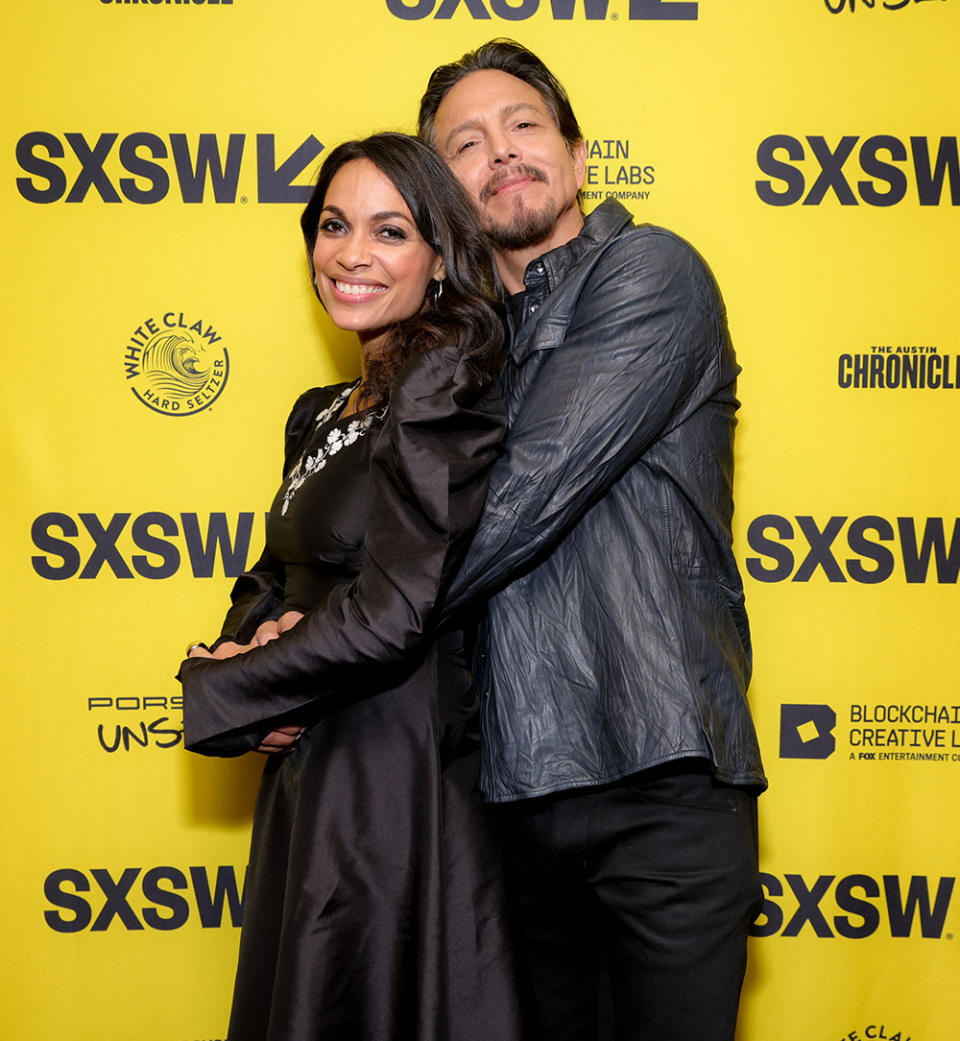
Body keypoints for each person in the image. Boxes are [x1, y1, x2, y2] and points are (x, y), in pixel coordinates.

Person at [416, 40, 768, 1041]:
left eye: (524, 126)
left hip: (658, 782)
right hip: (507, 808)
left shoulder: (649, 271)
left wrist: (309, 660)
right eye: (466, 145)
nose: (501, 153)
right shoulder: (455, 353)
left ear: (576, 156)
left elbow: (521, 499)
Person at [177, 132, 522, 1041]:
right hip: (313, 756)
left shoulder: (440, 383)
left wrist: (229, 690)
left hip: (393, 770)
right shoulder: (322, 408)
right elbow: (275, 571)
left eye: (389, 231)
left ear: (440, 257)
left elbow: (396, 606)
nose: (351, 254)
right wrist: (242, 644)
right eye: (334, 226)